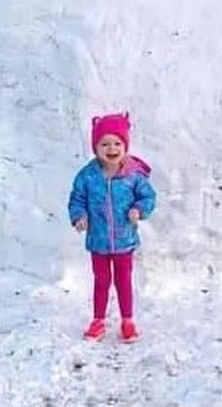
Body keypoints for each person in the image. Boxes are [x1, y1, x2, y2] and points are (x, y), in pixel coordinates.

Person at [68, 112, 156, 342]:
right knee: (101, 281)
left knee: (123, 281)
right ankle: (98, 320)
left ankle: (128, 320)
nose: (112, 148)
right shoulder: (87, 176)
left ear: (125, 146)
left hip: (124, 239)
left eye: (117, 143)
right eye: (104, 143)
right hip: (98, 241)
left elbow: (147, 197)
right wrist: (79, 216)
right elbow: (77, 199)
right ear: (96, 147)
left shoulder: (133, 175)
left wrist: (139, 209)